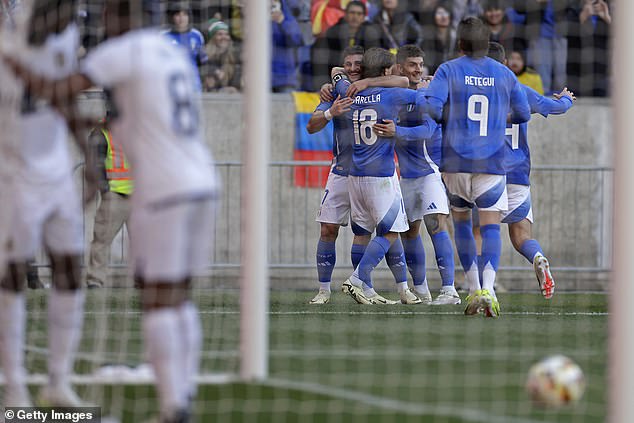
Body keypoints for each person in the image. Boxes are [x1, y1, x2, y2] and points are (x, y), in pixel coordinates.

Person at [4, 1, 219, 420]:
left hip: (162, 189)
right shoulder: (169, 52)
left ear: (118, 17)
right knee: (177, 297)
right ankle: (181, 394)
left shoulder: (118, 51)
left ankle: (173, 407)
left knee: (157, 297)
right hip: (201, 181)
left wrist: (11, 60)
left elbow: (55, 91)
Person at [0, 0, 88, 407]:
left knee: (69, 269)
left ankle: (58, 381)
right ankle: (15, 387)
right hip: (13, 174)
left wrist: (88, 156)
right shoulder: (7, 46)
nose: (67, 23)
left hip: (56, 173)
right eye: (62, 15)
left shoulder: (66, 34)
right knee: (12, 275)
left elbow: (62, 95)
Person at [424, 17, 531, 317]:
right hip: (492, 163)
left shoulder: (448, 69)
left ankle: (472, 289)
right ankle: (489, 289)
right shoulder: (504, 73)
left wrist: (452, 116)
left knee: (460, 224)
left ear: (459, 43)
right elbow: (523, 113)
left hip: (455, 162)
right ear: (488, 43)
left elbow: (432, 107)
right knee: (490, 227)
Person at [307, 46, 419, 305]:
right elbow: (312, 125)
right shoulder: (338, 92)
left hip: (373, 171)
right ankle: (326, 290)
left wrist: (360, 80)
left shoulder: (377, 89)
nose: (353, 68)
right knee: (331, 229)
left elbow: (401, 80)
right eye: (348, 65)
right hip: (343, 172)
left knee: (383, 228)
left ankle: (397, 288)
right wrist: (329, 112)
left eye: (358, 64)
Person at [485, 41, 575, 299]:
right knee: (521, 235)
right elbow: (556, 108)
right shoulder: (520, 90)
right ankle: (537, 257)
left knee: (482, 231)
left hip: (487, 172)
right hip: (518, 173)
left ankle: (484, 287)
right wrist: (567, 99)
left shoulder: (472, 93)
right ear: (504, 65)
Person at [379, 44, 460, 305]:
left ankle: (450, 290)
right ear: (400, 68)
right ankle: (422, 289)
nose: (419, 69)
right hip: (404, 177)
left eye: (421, 64)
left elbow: (426, 131)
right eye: (413, 65)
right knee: (410, 233)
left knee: (437, 224)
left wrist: (397, 132)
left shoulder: (428, 95)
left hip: (429, 173)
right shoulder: (393, 95)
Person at [85, 105, 133, 289]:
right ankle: (95, 281)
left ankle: (143, 280)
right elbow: (94, 163)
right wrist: (104, 188)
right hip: (114, 194)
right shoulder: (101, 132)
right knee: (102, 240)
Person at [311, 1, 383, 88]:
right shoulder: (333, 32)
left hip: (363, 79)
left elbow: (374, 61)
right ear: (345, 14)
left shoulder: (371, 33)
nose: (355, 17)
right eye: (352, 13)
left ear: (364, 17)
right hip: (336, 78)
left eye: (359, 14)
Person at [163, 2, 208, 91]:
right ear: (172, 17)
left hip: (193, 85)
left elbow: (203, 61)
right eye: (178, 15)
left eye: (184, 15)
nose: (181, 18)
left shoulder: (197, 35)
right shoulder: (163, 37)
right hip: (171, 86)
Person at [271, 0, 304, 92]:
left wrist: (282, 21)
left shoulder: (287, 15)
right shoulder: (254, 15)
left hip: (285, 77)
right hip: (258, 77)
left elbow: (295, 40)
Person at [203, 18, 241, 92]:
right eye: (219, 34)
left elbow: (236, 86)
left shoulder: (234, 55)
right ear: (212, 38)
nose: (224, 37)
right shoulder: (204, 56)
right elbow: (208, 85)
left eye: (226, 34)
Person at [421, 3, 457, 75]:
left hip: (453, 72)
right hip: (433, 73)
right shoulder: (429, 36)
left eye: (446, 13)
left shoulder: (455, 35)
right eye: (439, 13)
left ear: (450, 16)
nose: (443, 17)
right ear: (434, 17)